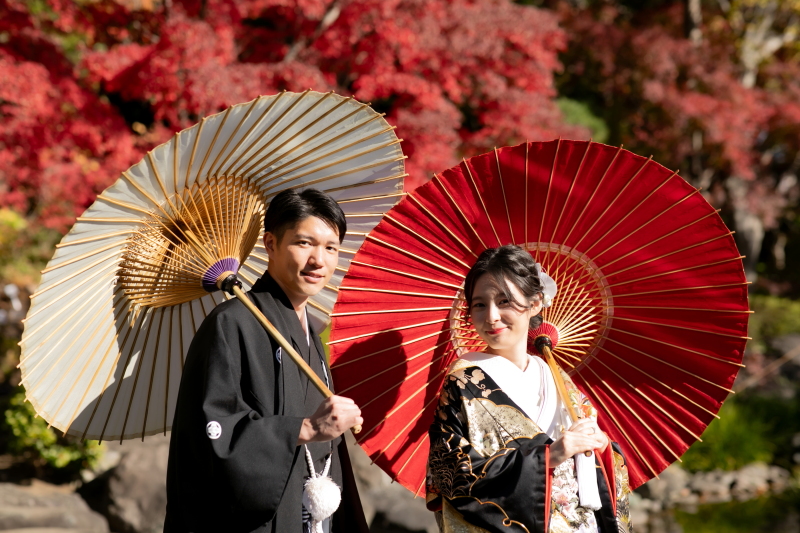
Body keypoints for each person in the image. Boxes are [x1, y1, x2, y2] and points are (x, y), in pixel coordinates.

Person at [165, 188, 369, 533]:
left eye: (331, 247)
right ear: (271, 244)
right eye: (304, 243)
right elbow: (212, 432)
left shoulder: (310, 333)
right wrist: (304, 429)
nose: (319, 260)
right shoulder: (232, 322)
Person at [425, 245, 633, 533]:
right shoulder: (463, 382)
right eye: (479, 304)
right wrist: (550, 457)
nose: (492, 316)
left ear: (535, 303)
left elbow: (602, 467)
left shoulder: (558, 379)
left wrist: (601, 447)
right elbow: (451, 475)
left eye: (504, 301)